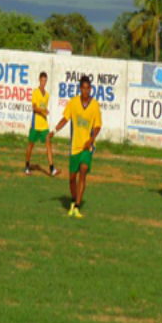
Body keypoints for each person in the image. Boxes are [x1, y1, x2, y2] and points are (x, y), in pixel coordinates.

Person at [48, 75, 101, 218]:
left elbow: (97, 126)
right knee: (72, 179)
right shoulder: (73, 103)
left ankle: (77, 207)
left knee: (83, 171)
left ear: (90, 89)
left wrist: (91, 139)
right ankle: (73, 201)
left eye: (88, 88)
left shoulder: (95, 105)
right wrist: (53, 131)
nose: (85, 91)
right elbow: (65, 119)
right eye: (83, 88)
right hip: (74, 147)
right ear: (80, 89)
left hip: (87, 147)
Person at [25, 71, 57, 176]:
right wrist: (43, 111)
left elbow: (43, 107)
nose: (43, 82)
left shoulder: (47, 95)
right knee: (30, 145)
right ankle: (27, 166)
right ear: (39, 80)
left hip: (44, 125)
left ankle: (52, 168)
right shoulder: (35, 92)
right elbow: (34, 108)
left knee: (48, 144)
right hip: (35, 124)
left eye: (45, 81)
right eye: (42, 80)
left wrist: (45, 110)